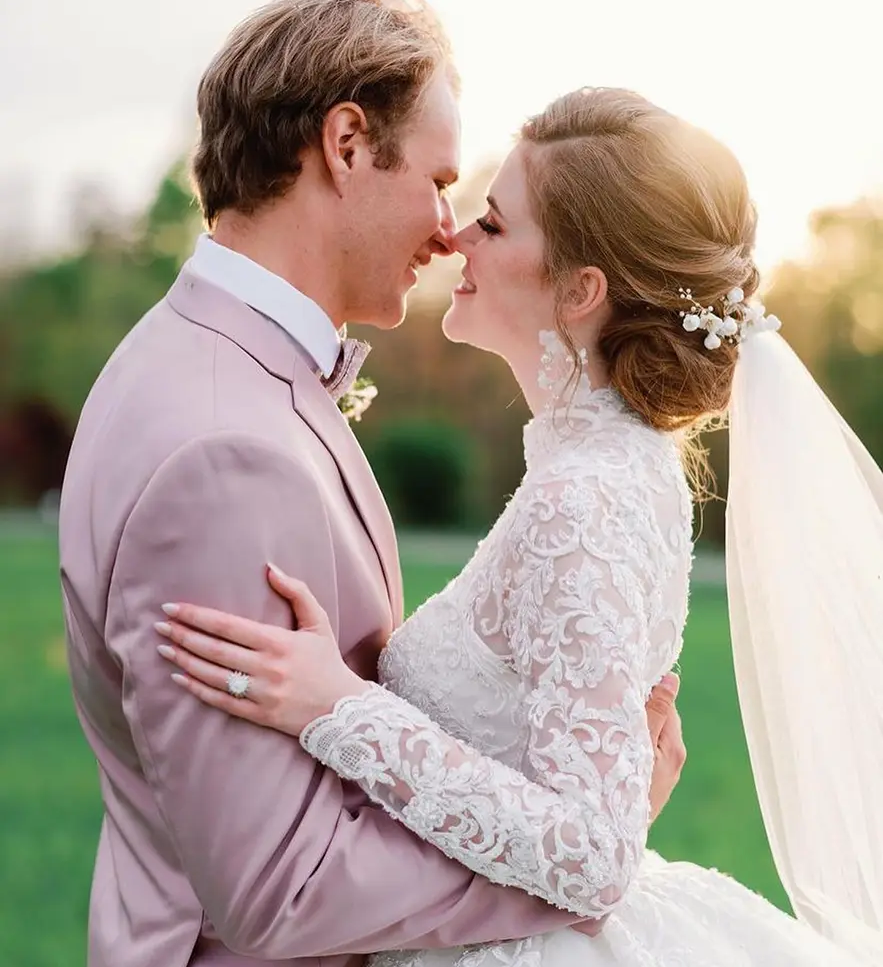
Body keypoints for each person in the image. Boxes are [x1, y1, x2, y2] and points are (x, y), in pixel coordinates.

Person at [155, 85, 883, 966]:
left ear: (579, 290)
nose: (453, 237)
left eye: (493, 226)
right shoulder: (618, 466)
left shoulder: (583, 502)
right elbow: (589, 804)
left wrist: (336, 706)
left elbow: (593, 857)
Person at [58, 0, 684, 967]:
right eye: (440, 181)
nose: (448, 232)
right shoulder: (221, 451)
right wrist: (579, 862)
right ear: (346, 142)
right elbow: (283, 884)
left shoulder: (216, 366)